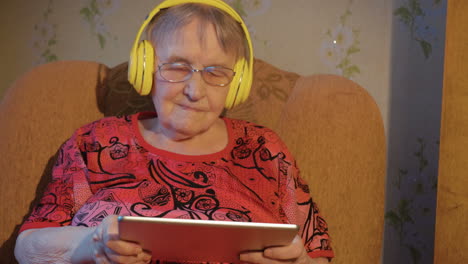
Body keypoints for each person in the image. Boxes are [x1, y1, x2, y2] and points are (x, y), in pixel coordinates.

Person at [14, 0, 334, 263]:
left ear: (237, 83)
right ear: (146, 69)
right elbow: (28, 247)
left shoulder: (265, 149)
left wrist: (300, 263)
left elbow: (317, 253)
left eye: (216, 72)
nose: (195, 90)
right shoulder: (95, 142)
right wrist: (85, 246)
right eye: (178, 67)